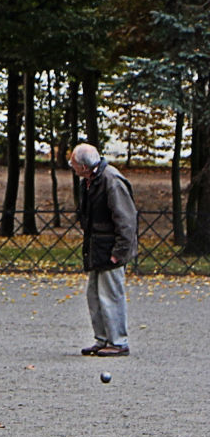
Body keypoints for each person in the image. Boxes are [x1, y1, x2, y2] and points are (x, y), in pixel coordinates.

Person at [69, 143, 138, 358]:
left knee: (111, 295)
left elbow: (126, 220)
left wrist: (119, 251)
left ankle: (118, 341)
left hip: (110, 248)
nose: (71, 166)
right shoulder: (89, 181)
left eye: (73, 163)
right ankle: (103, 339)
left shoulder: (111, 181)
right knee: (95, 296)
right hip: (97, 246)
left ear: (84, 166)